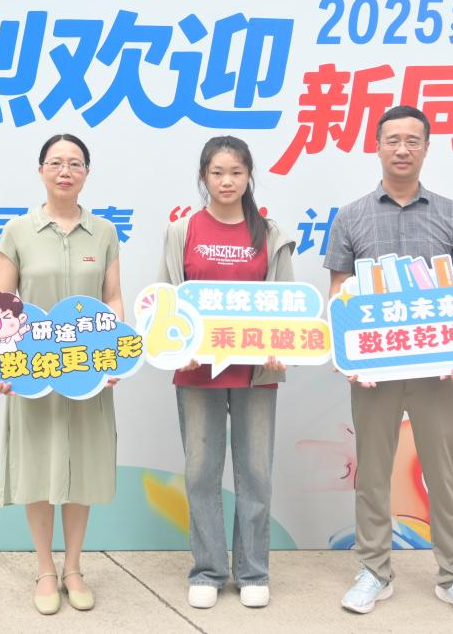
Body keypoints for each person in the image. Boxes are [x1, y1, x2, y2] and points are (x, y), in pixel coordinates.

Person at [323, 105, 453, 621]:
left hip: (437, 371)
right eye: (392, 140)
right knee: (373, 472)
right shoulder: (351, 216)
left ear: (426, 148)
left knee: (443, 473)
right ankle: (374, 571)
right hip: (374, 373)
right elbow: (339, 292)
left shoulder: (451, 213)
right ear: (377, 146)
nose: (402, 149)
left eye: (412, 141)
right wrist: (347, 354)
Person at [156, 136, 295, 611]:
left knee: (255, 473)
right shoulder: (183, 230)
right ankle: (208, 571)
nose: (227, 181)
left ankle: (253, 572)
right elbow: (166, 301)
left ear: (249, 175)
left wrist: (281, 347)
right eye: (217, 173)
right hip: (198, 373)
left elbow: (286, 304)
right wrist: (177, 346)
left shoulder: (270, 233)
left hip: (256, 373)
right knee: (201, 473)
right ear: (204, 177)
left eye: (236, 172)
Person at [0, 134, 123, 615]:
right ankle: (45, 569)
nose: (66, 171)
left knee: (81, 466)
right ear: (41, 169)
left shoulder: (104, 232)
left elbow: (112, 298)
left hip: (87, 374)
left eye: (75, 163)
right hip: (34, 374)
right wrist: (4, 362)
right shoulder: (17, 232)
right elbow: (2, 305)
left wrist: (112, 356)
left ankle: (74, 567)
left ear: (87, 172)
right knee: (39, 467)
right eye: (56, 162)